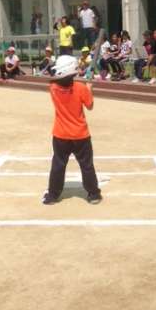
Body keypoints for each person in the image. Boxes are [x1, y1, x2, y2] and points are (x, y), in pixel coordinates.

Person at [42, 55, 102, 205]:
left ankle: (52, 195)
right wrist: (89, 89)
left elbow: (58, 80)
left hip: (60, 135)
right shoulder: (81, 88)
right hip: (80, 135)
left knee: (58, 165)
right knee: (86, 165)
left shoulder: (53, 88)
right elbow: (90, 106)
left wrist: (82, 83)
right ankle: (94, 194)